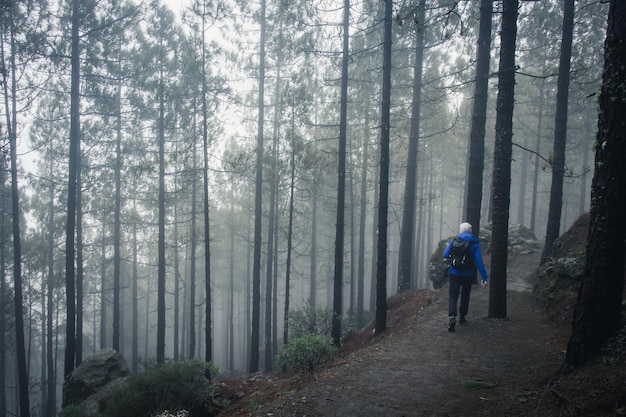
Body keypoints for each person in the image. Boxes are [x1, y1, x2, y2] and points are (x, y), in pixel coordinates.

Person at [442, 222, 488, 332]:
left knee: (453, 296)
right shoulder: (474, 244)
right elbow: (478, 261)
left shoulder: (454, 240)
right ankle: (462, 318)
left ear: (461, 230)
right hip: (467, 274)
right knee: (465, 295)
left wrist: (452, 258)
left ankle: (452, 317)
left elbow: (445, 254)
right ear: (470, 231)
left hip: (454, 273)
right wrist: (484, 277)